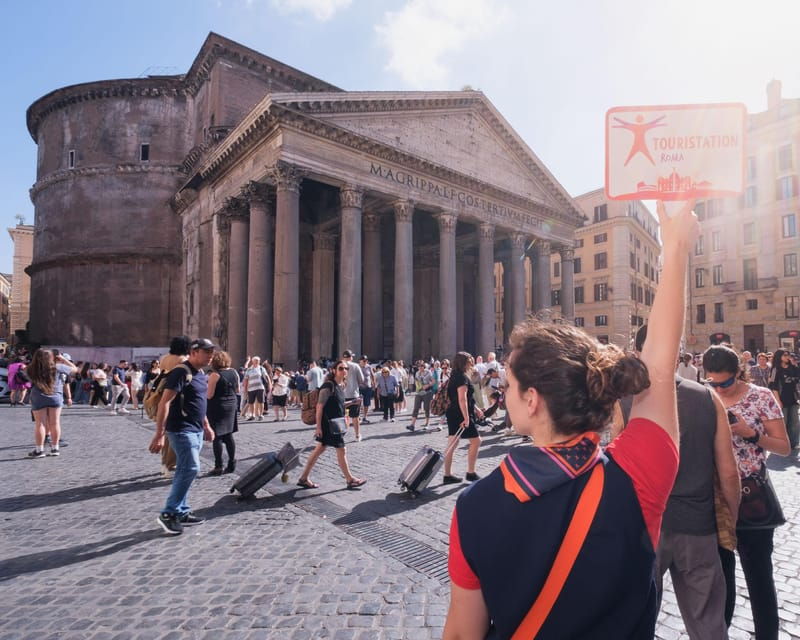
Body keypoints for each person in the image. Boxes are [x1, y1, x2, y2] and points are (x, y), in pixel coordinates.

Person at [443, 200, 695, 639]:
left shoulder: (474, 508)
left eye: (508, 383)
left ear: (533, 399)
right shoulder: (637, 476)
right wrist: (675, 251)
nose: (504, 393)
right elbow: (660, 358)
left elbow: (464, 634)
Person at [615, 326, 741, 640]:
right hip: (698, 527)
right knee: (709, 622)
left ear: (639, 352)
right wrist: (731, 519)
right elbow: (728, 472)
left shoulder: (624, 401)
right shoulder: (708, 397)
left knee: (635, 618)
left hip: (645, 527)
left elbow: (616, 469)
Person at [703, 345, 790, 639]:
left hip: (751, 497)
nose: (718, 388)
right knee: (720, 581)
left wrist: (750, 433)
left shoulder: (761, 397)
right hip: (713, 499)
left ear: (738, 373)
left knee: (759, 579)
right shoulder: (703, 398)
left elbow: (783, 446)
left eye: (724, 383)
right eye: (712, 382)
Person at [149, 338, 216, 535]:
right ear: (193, 352)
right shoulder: (181, 372)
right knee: (191, 468)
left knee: (184, 470)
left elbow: (198, 401)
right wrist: (159, 434)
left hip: (195, 429)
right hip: (180, 429)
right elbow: (165, 403)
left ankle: (181, 511)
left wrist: (206, 425)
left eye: (211, 353)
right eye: (206, 353)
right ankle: (169, 513)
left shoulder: (200, 373)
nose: (210, 356)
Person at [296, 359, 366, 490]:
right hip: (329, 424)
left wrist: (352, 402)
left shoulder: (340, 386)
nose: (344, 371)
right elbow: (319, 406)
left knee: (319, 449)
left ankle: (303, 478)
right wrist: (318, 427)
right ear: (333, 370)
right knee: (341, 449)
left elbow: (338, 404)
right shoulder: (328, 385)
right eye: (341, 368)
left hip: (335, 423)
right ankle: (350, 480)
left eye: (346, 369)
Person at [25, 350, 77, 458]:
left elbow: (26, 375)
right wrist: (64, 360)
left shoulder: (30, 369)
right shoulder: (58, 367)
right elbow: (75, 370)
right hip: (55, 396)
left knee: (40, 424)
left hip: (38, 397)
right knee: (55, 423)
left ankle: (39, 450)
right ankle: (55, 449)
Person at [442, 352, 483, 484]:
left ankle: (447, 475)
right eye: (470, 361)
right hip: (460, 414)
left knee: (452, 444)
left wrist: (476, 409)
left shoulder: (455, 376)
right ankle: (470, 473)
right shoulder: (462, 378)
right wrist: (466, 418)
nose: (472, 364)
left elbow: (467, 398)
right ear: (464, 363)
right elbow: (462, 399)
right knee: (476, 441)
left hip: (454, 413)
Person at [156, 336, 191, 477]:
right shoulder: (182, 360)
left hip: (161, 393)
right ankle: (171, 466)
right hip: (175, 395)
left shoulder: (164, 358)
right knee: (173, 434)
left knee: (166, 432)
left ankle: (164, 464)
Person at [206, 350, 239, 475]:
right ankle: (231, 463)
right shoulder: (234, 372)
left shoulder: (215, 375)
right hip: (231, 405)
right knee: (229, 435)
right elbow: (238, 389)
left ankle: (218, 466)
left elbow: (209, 395)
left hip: (218, 406)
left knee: (217, 436)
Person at [768, 348, 799, 450]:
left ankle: (793, 443)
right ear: (779, 356)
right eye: (785, 355)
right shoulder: (775, 369)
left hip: (794, 398)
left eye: (788, 355)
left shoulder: (793, 367)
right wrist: (778, 401)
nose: (787, 357)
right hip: (782, 399)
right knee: (783, 422)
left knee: (794, 422)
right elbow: (773, 386)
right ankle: (783, 443)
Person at [408, 362, 437, 431]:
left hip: (427, 392)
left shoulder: (428, 372)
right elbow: (416, 381)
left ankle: (427, 424)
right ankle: (412, 425)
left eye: (422, 366)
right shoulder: (417, 373)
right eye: (419, 366)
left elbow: (433, 381)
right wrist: (417, 386)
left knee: (426, 408)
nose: (420, 368)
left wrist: (428, 385)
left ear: (424, 367)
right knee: (416, 408)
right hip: (419, 392)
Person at [341, 350, 364, 438]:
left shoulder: (339, 365)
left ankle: (341, 434)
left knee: (343, 415)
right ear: (350, 357)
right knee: (355, 416)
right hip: (354, 394)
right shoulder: (355, 366)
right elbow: (361, 380)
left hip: (342, 395)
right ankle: (357, 435)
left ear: (343, 357)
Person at [242, 356, 268, 421]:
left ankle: (260, 415)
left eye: (258, 361)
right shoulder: (249, 369)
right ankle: (252, 415)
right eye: (255, 361)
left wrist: (270, 385)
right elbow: (246, 380)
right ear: (252, 361)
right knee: (251, 402)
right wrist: (245, 389)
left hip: (260, 387)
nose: (257, 362)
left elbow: (266, 377)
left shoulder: (262, 368)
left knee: (261, 401)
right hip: (251, 388)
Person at [358, 355, 375, 424]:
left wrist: (374, 383)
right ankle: (357, 416)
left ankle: (365, 417)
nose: (365, 362)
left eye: (366, 360)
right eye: (364, 360)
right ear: (360, 361)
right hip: (359, 387)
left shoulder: (368, 366)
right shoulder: (357, 367)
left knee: (367, 403)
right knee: (358, 403)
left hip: (368, 387)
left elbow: (372, 375)